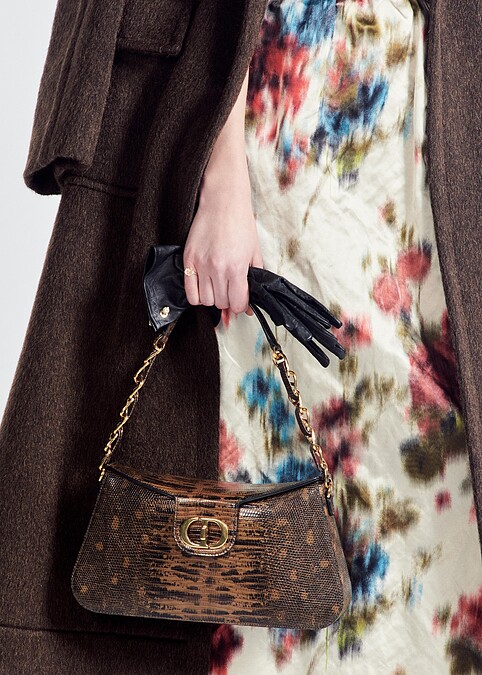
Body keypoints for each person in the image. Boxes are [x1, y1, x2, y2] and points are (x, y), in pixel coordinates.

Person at [0, 1, 480, 674]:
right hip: (275, 113)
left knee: (427, 509)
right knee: (243, 519)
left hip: (421, 120)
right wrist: (218, 169)